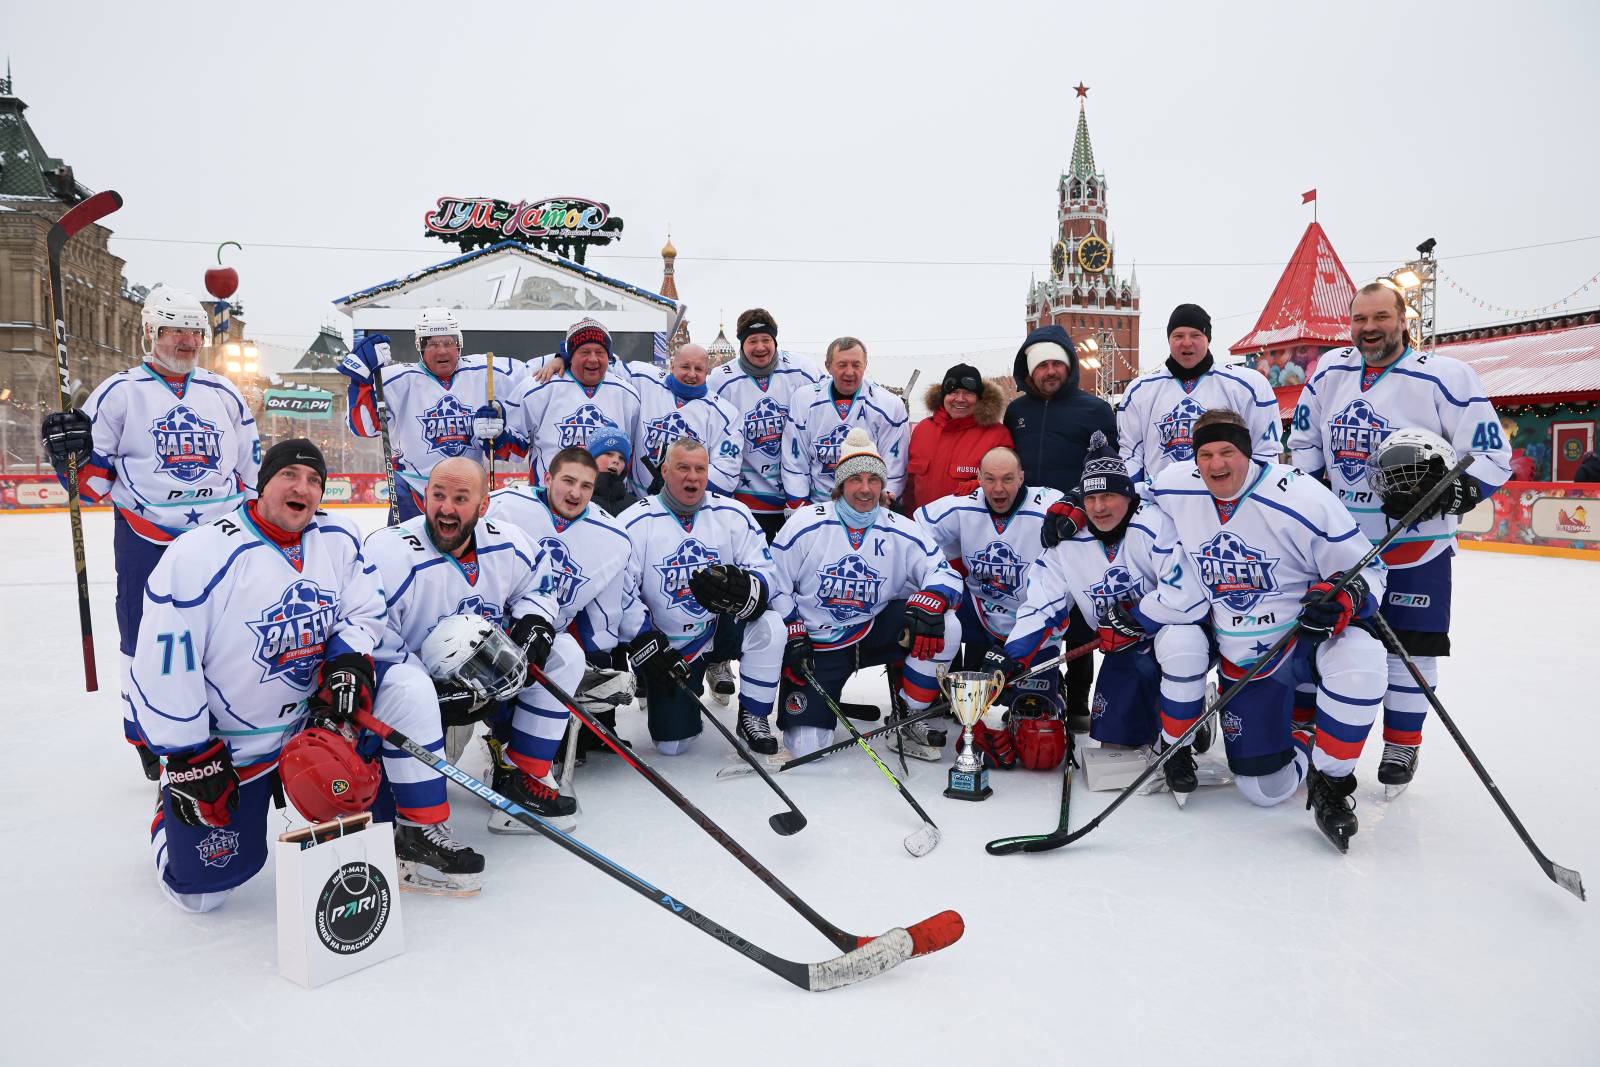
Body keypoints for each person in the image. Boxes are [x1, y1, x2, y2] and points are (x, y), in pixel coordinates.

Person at [128, 441, 472, 911]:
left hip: (316, 726)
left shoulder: (336, 538)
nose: (303, 488)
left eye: (314, 480)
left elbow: (363, 610)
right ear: (263, 482)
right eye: (290, 474)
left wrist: (347, 661)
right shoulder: (202, 553)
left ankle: (417, 827)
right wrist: (188, 754)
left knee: (407, 687)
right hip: (233, 745)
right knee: (203, 896)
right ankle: (164, 815)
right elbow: (163, 662)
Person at [1130, 409, 1389, 850]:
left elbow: (1371, 572)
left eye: (1228, 452)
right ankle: (1293, 730)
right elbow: (1126, 494)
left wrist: (1341, 597)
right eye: (1206, 454)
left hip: (1303, 640)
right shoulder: (1178, 483)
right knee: (1264, 791)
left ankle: (1331, 781)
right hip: (1242, 657)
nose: (1216, 465)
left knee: (1362, 660)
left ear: (1247, 452)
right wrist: (1073, 511)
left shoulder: (1301, 497)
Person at [1288, 282, 1510, 793]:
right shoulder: (1329, 372)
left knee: (1409, 648)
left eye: (1381, 317)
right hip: (1340, 546)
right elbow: (1304, 443)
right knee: (1322, 635)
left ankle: (1402, 743)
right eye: (1360, 319)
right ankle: (1308, 731)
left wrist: (1444, 497)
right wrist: (1313, 492)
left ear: (1403, 319)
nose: (1370, 328)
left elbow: (1491, 457)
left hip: (1416, 546)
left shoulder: (1447, 377)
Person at [39, 285, 260, 780]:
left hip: (218, 538)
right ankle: (143, 728)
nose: (186, 340)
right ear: (149, 333)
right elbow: (91, 480)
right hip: (147, 534)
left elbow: (250, 466)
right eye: (174, 330)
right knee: (144, 635)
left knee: (224, 633)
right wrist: (67, 459)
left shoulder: (222, 392)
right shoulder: (119, 392)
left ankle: (221, 721)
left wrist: (241, 515)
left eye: (194, 331)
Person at [365, 458, 582, 848]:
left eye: (461, 499)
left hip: (489, 673)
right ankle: (418, 827)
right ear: (423, 496)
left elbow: (538, 586)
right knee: (407, 693)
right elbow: (372, 635)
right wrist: (435, 694)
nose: (446, 508)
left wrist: (535, 623)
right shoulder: (388, 551)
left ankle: (522, 775)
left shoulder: (509, 541)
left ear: (483, 507)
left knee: (565, 653)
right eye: (438, 495)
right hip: (418, 691)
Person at [993, 432, 1210, 782]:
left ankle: (1179, 741)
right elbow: (1040, 606)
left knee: (1181, 644)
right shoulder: (1067, 544)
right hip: (1121, 649)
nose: (1100, 507)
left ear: (1128, 495)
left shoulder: (1154, 525)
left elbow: (1186, 596)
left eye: (1109, 495)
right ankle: (1167, 718)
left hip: (1167, 632)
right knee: (1116, 744)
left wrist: (1137, 617)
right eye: (1091, 497)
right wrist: (1015, 655)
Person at [770, 428, 964, 758]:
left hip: (874, 630)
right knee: (805, 749)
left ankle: (910, 711)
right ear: (840, 485)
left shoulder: (900, 527)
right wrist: (792, 627)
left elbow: (942, 572)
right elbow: (774, 581)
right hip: (819, 642)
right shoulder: (806, 523)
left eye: (873, 479)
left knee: (946, 622)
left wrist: (935, 596)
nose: (865, 488)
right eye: (855, 479)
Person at [616, 438, 786, 756]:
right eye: (682, 468)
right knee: (673, 745)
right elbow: (620, 594)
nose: (692, 477)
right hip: (671, 648)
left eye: (700, 469)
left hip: (720, 627)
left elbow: (767, 571)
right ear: (665, 471)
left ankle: (754, 714)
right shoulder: (634, 522)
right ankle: (680, 702)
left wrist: (751, 587)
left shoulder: (734, 514)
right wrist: (645, 641)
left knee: (771, 626)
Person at [1003, 323, 1118, 731]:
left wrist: (1080, 507)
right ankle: (1030, 688)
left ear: (1069, 365)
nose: (1050, 371)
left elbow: (1107, 468)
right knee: (1032, 604)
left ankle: (1078, 700)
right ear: (1029, 371)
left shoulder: (1095, 411)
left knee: (1080, 614)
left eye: (1057, 363)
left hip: (1077, 525)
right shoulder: (1016, 412)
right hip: (1025, 526)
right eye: (1041, 365)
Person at [487, 447, 635, 765]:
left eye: (585, 486)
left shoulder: (612, 537)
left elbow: (607, 612)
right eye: (568, 481)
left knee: (568, 657)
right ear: (548, 478)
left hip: (546, 641)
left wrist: (599, 654)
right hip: (489, 635)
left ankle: (526, 766)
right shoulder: (503, 507)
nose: (575, 492)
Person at [339, 306, 524, 523]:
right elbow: (362, 427)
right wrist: (360, 382)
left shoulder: (488, 370)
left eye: (449, 343)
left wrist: (559, 360)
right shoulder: (395, 380)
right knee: (405, 554)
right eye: (432, 343)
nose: (442, 351)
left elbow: (536, 377)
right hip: (413, 490)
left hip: (468, 489)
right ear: (420, 346)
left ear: (459, 343)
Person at [914, 446, 1061, 701]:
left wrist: (1075, 509)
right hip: (980, 611)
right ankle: (919, 700)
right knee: (922, 613)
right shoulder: (964, 504)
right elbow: (913, 536)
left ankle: (1051, 693)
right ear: (978, 479)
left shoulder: (1048, 506)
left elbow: (1086, 506)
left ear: (1021, 478)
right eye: (990, 479)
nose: (998, 488)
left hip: (1034, 614)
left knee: (1034, 714)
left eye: (1007, 479)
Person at [1116, 303, 1281, 493]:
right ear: (1169, 340)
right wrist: (1135, 497)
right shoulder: (1140, 390)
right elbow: (1131, 455)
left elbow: (1266, 452)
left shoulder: (1248, 385)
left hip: (1227, 504)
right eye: (1178, 336)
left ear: (1208, 339)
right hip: (1162, 503)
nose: (1187, 342)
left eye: (1196, 335)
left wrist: (1253, 499)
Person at [707, 308, 823, 540]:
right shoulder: (720, 379)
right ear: (741, 344)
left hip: (797, 497)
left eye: (766, 339)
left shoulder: (803, 370)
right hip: (746, 498)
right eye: (752, 341)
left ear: (775, 341)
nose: (760, 347)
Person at [503, 317, 642, 487]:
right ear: (570, 357)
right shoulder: (538, 388)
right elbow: (512, 449)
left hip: (609, 506)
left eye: (600, 352)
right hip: (550, 501)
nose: (593, 359)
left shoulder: (628, 395)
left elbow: (634, 453)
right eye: (584, 352)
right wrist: (496, 433)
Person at [782, 336, 909, 509]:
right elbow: (795, 459)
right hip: (819, 504)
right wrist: (799, 505)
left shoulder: (889, 405)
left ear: (865, 365)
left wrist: (884, 499)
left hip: (866, 506)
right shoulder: (804, 400)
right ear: (828, 366)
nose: (849, 372)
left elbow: (894, 466)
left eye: (856, 365)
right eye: (842, 365)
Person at [633, 342, 742, 498]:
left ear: (707, 372)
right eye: (685, 367)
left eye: (698, 369)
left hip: (691, 509)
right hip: (640, 503)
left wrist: (677, 484)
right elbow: (610, 364)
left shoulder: (726, 414)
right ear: (672, 366)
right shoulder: (646, 383)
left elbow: (726, 474)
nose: (691, 374)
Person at [900, 362, 1012, 513]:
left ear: (980, 398)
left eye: (968, 393)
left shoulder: (997, 435)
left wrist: (977, 486)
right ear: (943, 396)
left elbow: (1006, 486)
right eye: (953, 392)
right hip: (922, 530)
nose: (960, 399)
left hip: (970, 532)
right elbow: (910, 486)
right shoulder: (923, 430)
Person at [586, 429, 640, 516]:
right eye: (608, 454)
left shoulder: (633, 504)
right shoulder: (580, 496)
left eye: (621, 458)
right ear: (592, 458)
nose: (616, 461)